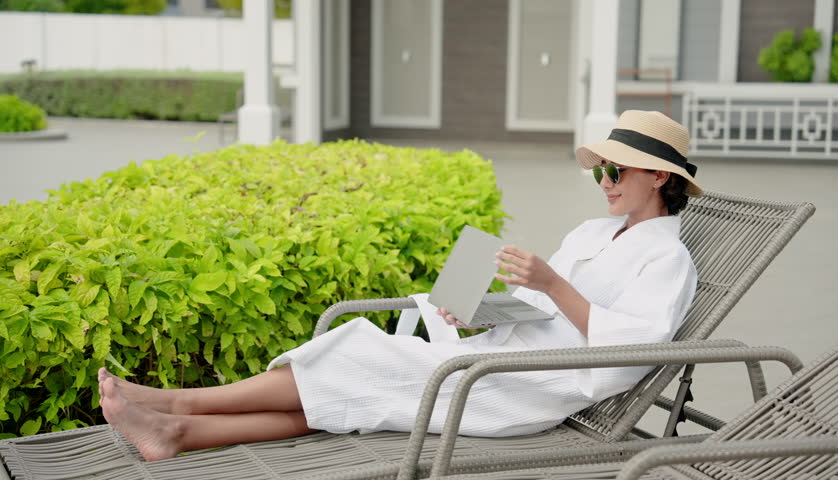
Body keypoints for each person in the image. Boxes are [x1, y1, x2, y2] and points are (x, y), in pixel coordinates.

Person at [98, 110, 703, 462]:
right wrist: (486, 309)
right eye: (601, 168)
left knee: (357, 350)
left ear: (658, 175)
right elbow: (544, 308)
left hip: (532, 388)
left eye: (615, 169)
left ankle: (178, 403)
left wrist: (552, 283)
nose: (603, 180)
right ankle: (178, 433)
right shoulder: (597, 230)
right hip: (501, 358)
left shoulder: (669, 260)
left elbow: (635, 350)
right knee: (358, 393)